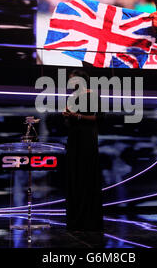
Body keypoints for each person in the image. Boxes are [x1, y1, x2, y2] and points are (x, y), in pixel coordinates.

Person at [62, 69, 103, 232]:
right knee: (75, 176)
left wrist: (77, 116)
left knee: (86, 176)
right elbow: (69, 120)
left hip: (87, 139)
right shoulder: (72, 97)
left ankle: (88, 220)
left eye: (72, 80)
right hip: (74, 139)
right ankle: (76, 219)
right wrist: (67, 116)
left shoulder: (92, 95)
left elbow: (100, 117)